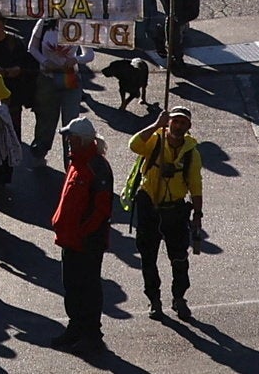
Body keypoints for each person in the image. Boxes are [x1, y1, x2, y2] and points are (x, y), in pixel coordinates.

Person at [124, 107, 200, 318]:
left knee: (179, 259)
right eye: (175, 121)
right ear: (169, 123)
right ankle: (154, 299)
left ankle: (179, 297)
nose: (178, 126)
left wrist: (198, 216)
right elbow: (134, 145)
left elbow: (196, 185)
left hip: (175, 210)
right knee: (148, 257)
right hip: (149, 207)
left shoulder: (191, 152)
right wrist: (157, 124)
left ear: (188, 127)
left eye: (183, 123)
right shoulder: (155, 140)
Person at [49, 117, 115, 353]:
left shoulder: (97, 167)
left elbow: (102, 209)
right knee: (72, 286)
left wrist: (82, 232)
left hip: (87, 242)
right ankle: (76, 328)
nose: (67, 141)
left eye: (71, 137)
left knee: (87, 287)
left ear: (82, 139)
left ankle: (91, 334)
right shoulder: (77, 162)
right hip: (70, 239)